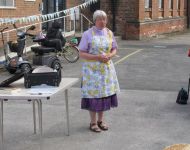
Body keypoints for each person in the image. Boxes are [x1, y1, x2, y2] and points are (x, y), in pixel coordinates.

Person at [78, 10, 120, 133]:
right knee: (93, 96)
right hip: (92, 71)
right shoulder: (87, 34)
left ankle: (101, 121)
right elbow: (81, 53)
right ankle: (93, 122)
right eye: (100, 19)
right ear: (95, 20)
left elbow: (114, 49)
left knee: (103, 95)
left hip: (106, 70)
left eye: (104, 19)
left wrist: (110, 55)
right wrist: (98, 57)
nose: (103, 22)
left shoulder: (109, 33)